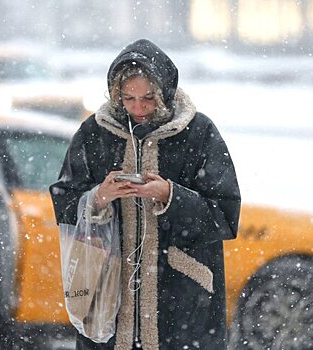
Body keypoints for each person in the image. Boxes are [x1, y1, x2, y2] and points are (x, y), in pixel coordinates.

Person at [51, 39, 241, 350]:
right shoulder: (94, 133)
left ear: (164, 93)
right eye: (128, 98)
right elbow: (64, 201)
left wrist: (170, 195)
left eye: (148, 98)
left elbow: (225, 215)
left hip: (182, 296)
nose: (138, 108)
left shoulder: (199, 133)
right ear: (116, 95)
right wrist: (99, 196)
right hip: (108, 293)